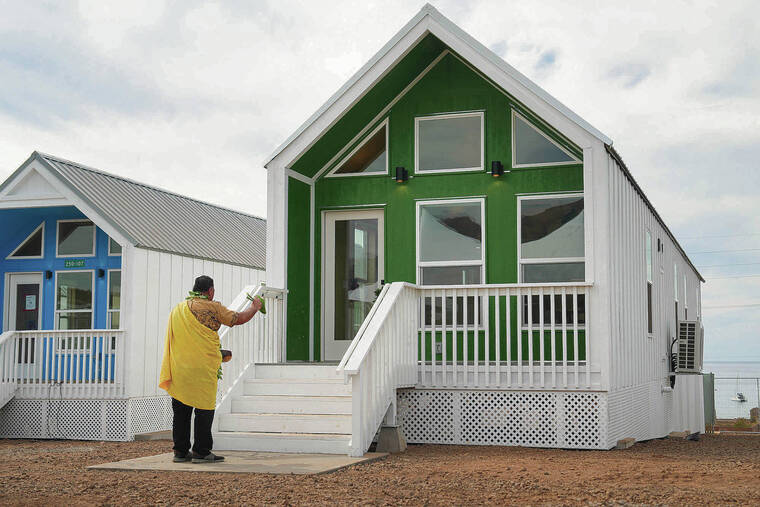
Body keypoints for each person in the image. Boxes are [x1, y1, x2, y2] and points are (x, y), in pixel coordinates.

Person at [159, 275, 262, 463]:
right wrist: (254, 307)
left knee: (181, 410)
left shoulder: (178, 309)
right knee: (204, 409)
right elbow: (238, 319)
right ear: (211, 291)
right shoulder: (213, 307)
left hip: (180, 366)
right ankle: (201, 451)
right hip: (202, 366)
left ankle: (180, 451)